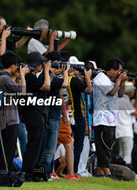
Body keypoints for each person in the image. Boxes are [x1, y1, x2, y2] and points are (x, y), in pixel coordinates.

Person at [0, 51, 29, 171]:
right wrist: (23, 75)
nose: (18, 68)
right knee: (8, 149)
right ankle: (3, 173)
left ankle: (5, 172)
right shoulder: (3, 78)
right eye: (17, 65)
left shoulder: (2, 77)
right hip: (8, 119)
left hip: (8, 117)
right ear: (12, 65)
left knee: (9, 149)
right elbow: (23, 91)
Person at [93, 58, 128, 179]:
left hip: (110, 118)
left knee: (108, 145)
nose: (120, 73)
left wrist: (122, 82)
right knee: (104, 146)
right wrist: (119, 80)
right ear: (111, 70)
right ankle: (108, 174)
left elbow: (120, 94)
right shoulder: (101, 78)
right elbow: (111, 92)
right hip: (102, 118)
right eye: (118, 70)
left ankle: (100, 173)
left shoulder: (111, 80)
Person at [39, 51, 69, 179]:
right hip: (52, 115)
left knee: (46, 147)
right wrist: (66, 72)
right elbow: (65, 85)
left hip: (48, 114)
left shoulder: (45, 75)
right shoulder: (48, 76)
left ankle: (43, 174)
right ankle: (43, 174)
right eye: (57, 62)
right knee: (49, 148)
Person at [21, 52, 51, 181]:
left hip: (37, 114)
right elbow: (46, 86)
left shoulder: (32, 77)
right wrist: (47, 71)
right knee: (34, 145)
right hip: (33, 114)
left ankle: (33, 172)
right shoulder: (29, 77)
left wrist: (49, 73)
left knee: (39, 145)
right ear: (38, 64)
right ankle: (27, 173)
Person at [67, 57, 92, 176]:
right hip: (78, 116)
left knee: (69, 145)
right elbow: (88, 90)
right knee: (78, 145)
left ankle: (68, 170)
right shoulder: (74, 80)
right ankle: (74, 170)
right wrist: (87, 77)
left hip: (69, 115)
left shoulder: (64, 79)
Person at [116, 82, 137, 165]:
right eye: (132, 90)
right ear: (128, 91)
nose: (134, 92)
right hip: (126, 131)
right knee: (127, 155)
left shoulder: (121, 99)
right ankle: (125, 172)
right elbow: (136, 112)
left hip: (120, 131)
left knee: (121, 154)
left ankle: (119, 171)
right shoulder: (124, 100)